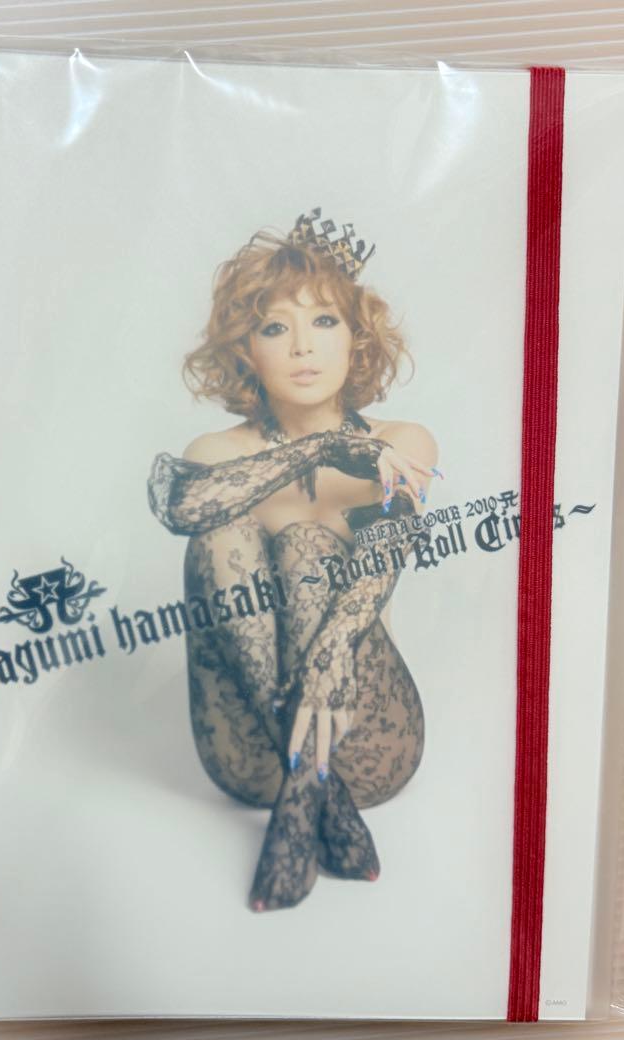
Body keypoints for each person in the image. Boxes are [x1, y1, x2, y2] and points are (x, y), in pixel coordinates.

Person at [148, 210, 440, 911]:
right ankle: (318, 797)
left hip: (367, 735)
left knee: (309, 544)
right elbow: (182, 508)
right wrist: (321, 448)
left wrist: (328, 660)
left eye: (325, 322)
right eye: (275, 327)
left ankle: (315, 790)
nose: (303, 347)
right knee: (219, 530)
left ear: (357, 338)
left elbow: (383, 558)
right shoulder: (215, 453)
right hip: (250, 750)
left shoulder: (404, 440)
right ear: (246, 350)